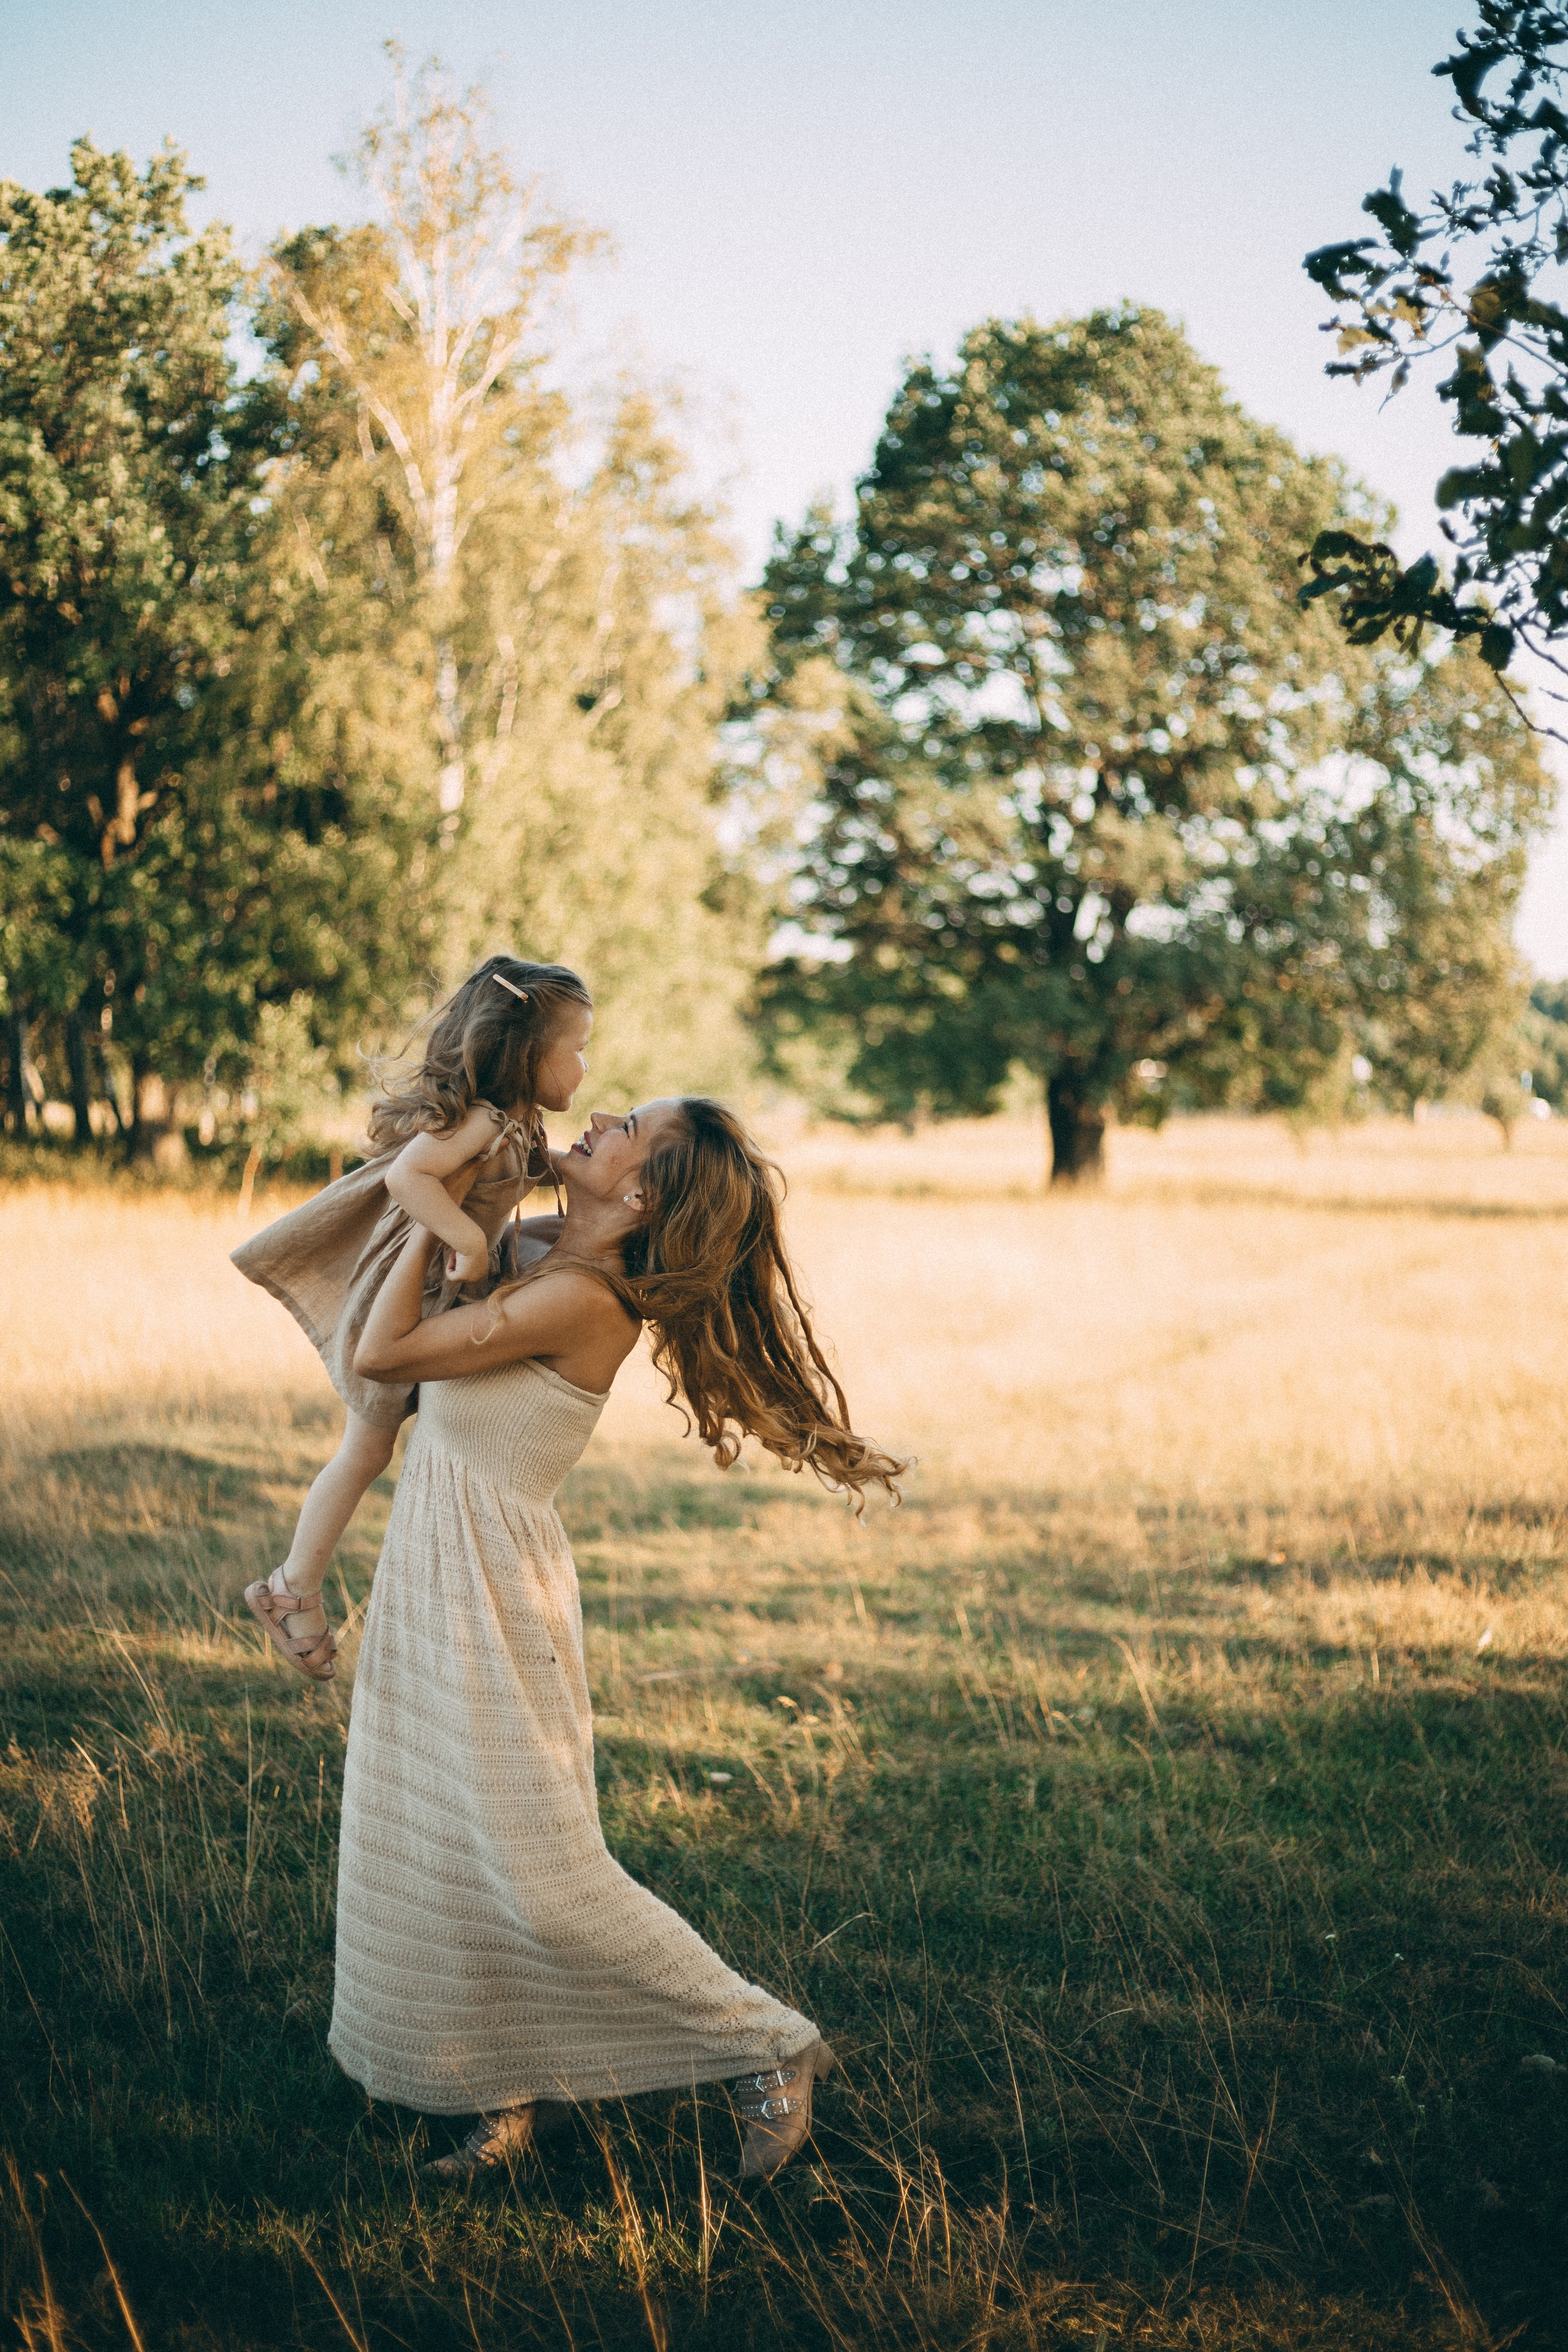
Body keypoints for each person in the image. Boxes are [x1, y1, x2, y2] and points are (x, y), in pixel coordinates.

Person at [330, 1095, 905, 2185]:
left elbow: (386, 1349)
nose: (594, 1116)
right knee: (449, 1840)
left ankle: (769, 2045)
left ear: (639, 1195)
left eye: (623, 1125)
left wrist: (432, 1216)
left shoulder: (583, 1301)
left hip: (496, 1594)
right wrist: (463, 1178)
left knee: (542, 1873)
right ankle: (499, 2097)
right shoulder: (545, 1249)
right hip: (437, 1571)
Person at [232, 956, 594, 1681]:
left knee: (409, 1439)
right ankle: (290, 1586)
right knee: (365, 1451)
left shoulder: (515, 1125)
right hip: (406, 1294)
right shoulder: (480, 1120)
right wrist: (463, 1237)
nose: (585, 1066)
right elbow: (407, 1176)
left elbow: (531, 1169)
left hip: (441, 1297)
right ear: (528, 1055)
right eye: (577, 1049)